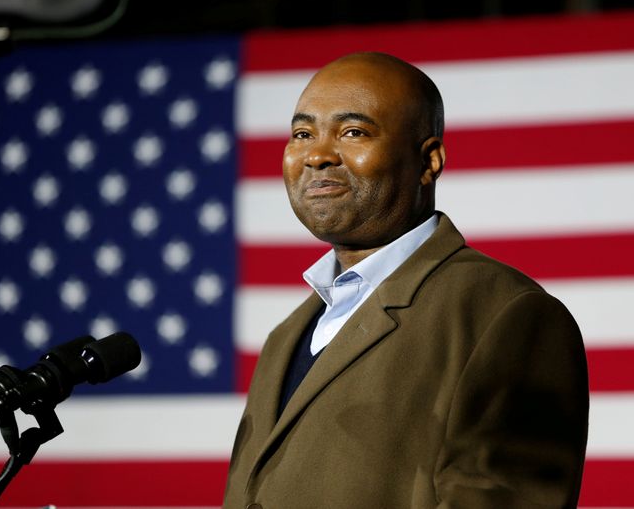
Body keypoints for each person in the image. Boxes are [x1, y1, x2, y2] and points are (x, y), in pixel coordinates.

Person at [223, 52, 588, 509]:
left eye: (353, 132)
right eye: (302, 134)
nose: (316, 155)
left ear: (429, 160)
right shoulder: (288, 334)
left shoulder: (504, 315)